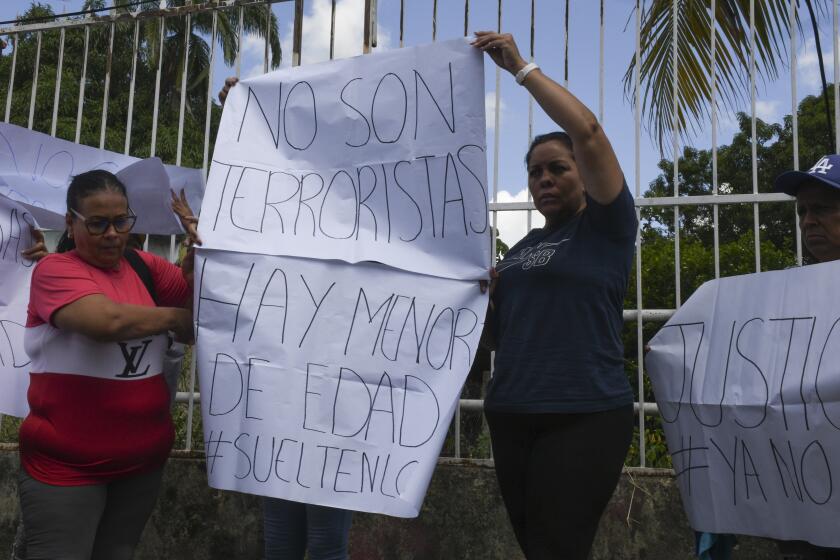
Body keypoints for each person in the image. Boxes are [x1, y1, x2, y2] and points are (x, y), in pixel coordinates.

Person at [472, 31, 637, 559]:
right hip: (513, 413)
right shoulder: (521, 249)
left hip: (584, 413)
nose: (544, 179)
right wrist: (485, 298)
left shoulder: (607, 227)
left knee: (558, 550)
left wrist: (521, 70)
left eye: (558, 169)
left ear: (585, 177)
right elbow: (498, 333)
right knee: (536, 548)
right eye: (535, 172)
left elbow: (587, 131)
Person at [17, 170, 194, 560]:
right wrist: (172, 319)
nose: (113, 233)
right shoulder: (56, 270)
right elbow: (105, 322)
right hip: (66, 472)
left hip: (142, 466)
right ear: (70, 222)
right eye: (97, 223)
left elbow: (204, 318)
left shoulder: (146, 267)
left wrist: (201, 257)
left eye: (121, 221)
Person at [773, 155, 840, 560]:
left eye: (822, 209)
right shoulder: (783, 298)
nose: (808, 221)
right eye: (802, 211)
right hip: (804, 496)